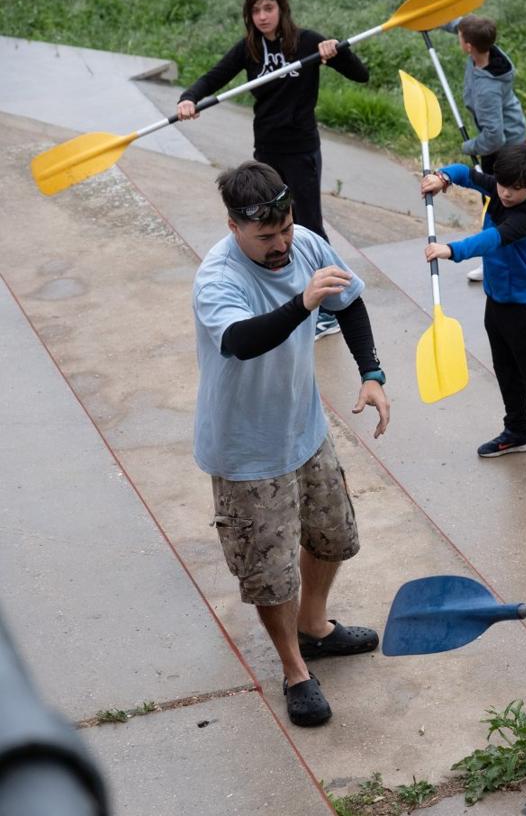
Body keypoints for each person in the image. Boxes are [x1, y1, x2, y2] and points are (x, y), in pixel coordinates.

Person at [193, 161, 390, 727]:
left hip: (304, 429)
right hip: (245, 453)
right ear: (233, 227)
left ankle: (315, 626)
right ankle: (294, 668)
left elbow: (347, 300)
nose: (281, 245)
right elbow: (240, 341)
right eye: (266, 237)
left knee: (334, 538)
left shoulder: (304, 242)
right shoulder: (217, 278)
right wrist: (301, 303)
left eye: (285, 230)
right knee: (269, 573)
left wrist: (371, 373)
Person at [177, 0, 369, 340]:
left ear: (281, 8)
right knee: (269, 225)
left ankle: (329, 308)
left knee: (308, 226)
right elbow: (213, 77)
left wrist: (337, 53)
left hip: (301, 148)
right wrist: (189, 98)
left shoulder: (308, 42)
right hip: (266, 150)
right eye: (256, 10)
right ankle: (291, 296)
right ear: (249, 16)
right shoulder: (249, 49)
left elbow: (361, 75)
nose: (263, 16)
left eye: (269, 8)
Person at [420, 142, 526, 482]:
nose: (504, 193)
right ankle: (518, 431)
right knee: (505, 372)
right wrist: (443, 177)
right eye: (501, 185)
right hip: (497, 301)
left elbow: (490, 240)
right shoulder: (502, 187)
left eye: (514, 189)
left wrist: (451, 250)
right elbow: (465, 173)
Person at [445, 13, 526, 282]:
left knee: (497, 205)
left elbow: (494, 137)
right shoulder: (489, 51)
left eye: (461, 36)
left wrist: (469, 145)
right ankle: (502, 258)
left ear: (468, 45)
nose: (458, 36)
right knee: (500, 203)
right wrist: (431, 18)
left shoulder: (487, 88)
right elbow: (461, 25)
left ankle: (496, 262)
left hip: (505, 149)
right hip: (508, 136)